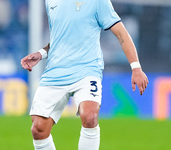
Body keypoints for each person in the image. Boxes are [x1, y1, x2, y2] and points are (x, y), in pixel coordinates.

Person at [21, 0, 149, 149]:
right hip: (55, 72)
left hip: (87, 70)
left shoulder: (99, 2)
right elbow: (60, 37)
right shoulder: (51, 1)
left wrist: (136, 68)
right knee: (38, 129)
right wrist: (41, 53)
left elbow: (122, 34)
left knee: (90, 116)